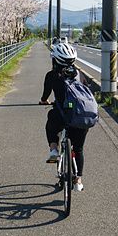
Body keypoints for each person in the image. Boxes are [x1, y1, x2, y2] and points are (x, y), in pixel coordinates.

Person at [39, 40, 89, 191]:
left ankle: (54, 149)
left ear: (55, 59)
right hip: (80, 117)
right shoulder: (80, 75)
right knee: (78, 149)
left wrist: (44, 101)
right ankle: (78, 180)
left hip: (61, 116)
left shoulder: (52, 75)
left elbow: (45, 96)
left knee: (51, 123)